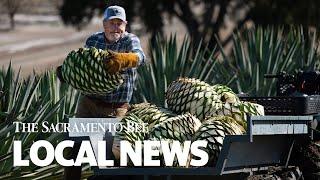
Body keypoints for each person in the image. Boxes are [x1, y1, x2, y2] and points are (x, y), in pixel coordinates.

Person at [62, 5, 146, 180]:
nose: (116, 27)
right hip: (88, 104)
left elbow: (140, 57)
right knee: (74, 149)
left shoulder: (129, 41)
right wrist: (67, 71)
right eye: (112, 23)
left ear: (125, 24)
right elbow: (82, 63)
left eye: (119, 23)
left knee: (106, 155)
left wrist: (125, 58)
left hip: (115, 109)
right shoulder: (93, 40)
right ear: (104, 24)